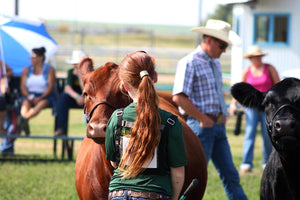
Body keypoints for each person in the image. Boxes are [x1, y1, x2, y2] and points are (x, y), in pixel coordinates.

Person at [172, 19, 247, 200]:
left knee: (231, 174)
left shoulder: (215, 63)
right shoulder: (189, 62)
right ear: (209, 40)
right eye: (222, 45)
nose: (224, 50)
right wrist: (203, 119)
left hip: (217, 127)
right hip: (200, 128)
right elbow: (179, 97)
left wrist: (221, 112)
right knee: (195, 178)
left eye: (226, 46)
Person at [105, 51, 187, 200]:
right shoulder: (171, 122)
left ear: (125, 85)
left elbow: (113, 161)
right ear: (154, 77)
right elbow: (178, 172)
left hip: (118, 194)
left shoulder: (116, 117)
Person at [230, 45, 280, 173]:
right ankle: (246, 163)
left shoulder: (269, 69)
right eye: (254, 57)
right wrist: (233, 103)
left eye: (259, 56)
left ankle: (267, 162)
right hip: (252, 107)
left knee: (267, 133)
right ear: (251, 58)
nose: (257, 59)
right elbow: (241, 89)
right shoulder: (247, 70)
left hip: (267, 107)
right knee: (250, 133)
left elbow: (278, 86)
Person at [19, 47, 56, 135]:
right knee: (25, 103)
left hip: (45, 96)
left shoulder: (49, 70)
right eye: (30, 56)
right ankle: (24, 119)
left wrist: (41, 97)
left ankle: (24, 119)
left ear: (41, 57)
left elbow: (50, 87)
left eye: (33, 56)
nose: (31, 58)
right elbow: (23, 86)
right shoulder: (27, 70)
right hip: (29, 95)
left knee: (41, 103)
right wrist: (28, 96)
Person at [54, 50, 86, 136]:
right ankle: (61, 128)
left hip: (87, 99)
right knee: (63, 98)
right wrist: (77, 97)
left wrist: (80, 75)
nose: (75, 66)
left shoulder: (89, 73)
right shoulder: (70, 72)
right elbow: (67, 88)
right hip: (75, 98)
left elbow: (86, 89)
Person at [0, 62, 13, 133]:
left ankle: (1, 127)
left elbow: (10, 71)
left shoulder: (1, 63)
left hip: (1, 92)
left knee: (2, 100)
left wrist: (5, 76)